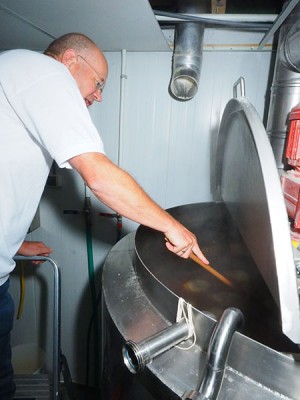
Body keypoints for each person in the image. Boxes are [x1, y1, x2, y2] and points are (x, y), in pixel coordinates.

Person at [0, 32, 208, 398]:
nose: (98, 95)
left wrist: (11, 243)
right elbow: (98, 176)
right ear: (69, 62)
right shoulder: (47, 74)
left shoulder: (18, 73)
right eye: (98, 83)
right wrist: (173, 227)